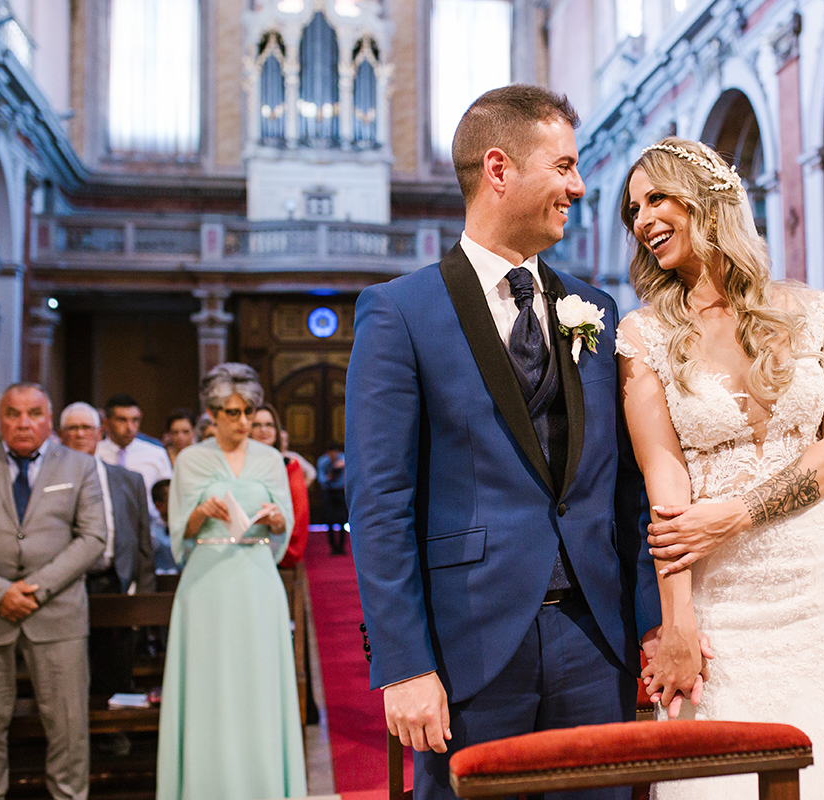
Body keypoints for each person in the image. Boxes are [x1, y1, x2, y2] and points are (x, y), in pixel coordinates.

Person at [345, 85, 659, 800]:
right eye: (564, 166)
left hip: (594, 640)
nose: (580, 187)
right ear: (499, 169)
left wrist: (648, 625)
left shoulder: (597, 309)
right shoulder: (400, 312)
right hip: (469, 646)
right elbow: (380, 502)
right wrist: (402, 664)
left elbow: (624, 489)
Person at [616, 137, 824, 800]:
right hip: (722, 596)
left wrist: (739, 514)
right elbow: (667, 486)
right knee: (724, 773)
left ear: (710, 200)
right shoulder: (643, 336)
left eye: (657, 197)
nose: (643, 219)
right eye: (634, 208)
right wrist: (677, 624)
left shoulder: (815, 313)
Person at [0, 383, 106, 800]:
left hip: (57, 615)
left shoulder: (79, 466)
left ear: (48, 420)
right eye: (13, 414)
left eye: (34, 413)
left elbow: (92, 538)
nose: (23, 423)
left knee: (69, 732)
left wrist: (35, 591)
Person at [156, 363, 305, 800]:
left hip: (257, 580)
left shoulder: (268, 458)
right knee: (209, 687)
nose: (244, 423)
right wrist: (202, 512)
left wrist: (278, 519)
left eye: (248, 412)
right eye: (233, 413)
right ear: (212, 413)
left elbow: (286, 525)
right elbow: (178, 533)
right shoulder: (191, 459)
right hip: (207, 584)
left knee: (258, 687)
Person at [59, 401, 156, 700]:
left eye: (86, 427)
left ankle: (115, 735)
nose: (79, 434)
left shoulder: (128, 479)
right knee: (68, 671)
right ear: (61, 435)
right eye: (72, 428)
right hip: (65, 584)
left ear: (99, 433)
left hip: (114, 581)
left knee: (115, 669)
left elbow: (143, 543)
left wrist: (144, 601)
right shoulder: (47, 479)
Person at [96, 393, 173, 525]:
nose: (129, 427)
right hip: (104, 523)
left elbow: (168, 498)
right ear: (106, 423)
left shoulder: (155, 454)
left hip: (149, 525)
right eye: (122, 420)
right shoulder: (95, 453)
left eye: (135, 420)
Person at [251, 403, 310, 567]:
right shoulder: (238, 466)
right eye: (257, 425)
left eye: (269, 425)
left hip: (276, 548)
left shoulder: (289, 465)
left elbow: (298, 515)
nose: (264, 430)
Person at [315, 442, 347, 554]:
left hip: (340, 492)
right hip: (328, 491)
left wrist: (342, 466)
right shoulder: (323, 461)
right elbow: (321, 478)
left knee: (343, 519)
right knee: (329, 520)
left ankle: (342, 547)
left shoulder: (343, 459)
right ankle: (333, 547)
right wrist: (328, 477)